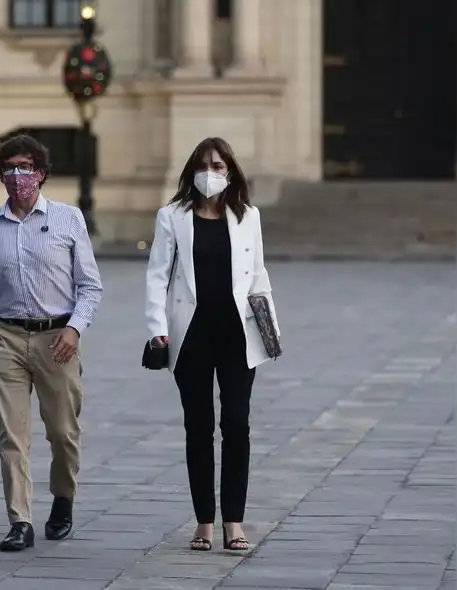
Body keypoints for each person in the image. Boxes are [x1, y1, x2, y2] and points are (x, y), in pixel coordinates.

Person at [144, 137, 280, 552]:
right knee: (198, 427)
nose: (211, 172)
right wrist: (156, 327)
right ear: (191, 172)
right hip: (192, 333)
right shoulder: (172, 217)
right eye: (205, 165)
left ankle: (234, 523)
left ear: (231, 172)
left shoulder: (248, 217)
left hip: (238, 334)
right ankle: (204, 522)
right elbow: (157, 274)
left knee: (237, 424)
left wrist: (271, 330)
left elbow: (257, 275)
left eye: (219, 165)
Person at [0, 134, 104, 552]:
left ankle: (63, 498)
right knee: (12, 434)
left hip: (56, 337)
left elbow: (90, 286)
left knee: (63, 431)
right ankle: (20, 519)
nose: (17, 176)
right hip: (6, 336)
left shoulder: (68, 219)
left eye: (25, 167)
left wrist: (74, 328)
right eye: (8, 168)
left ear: (41, 173)